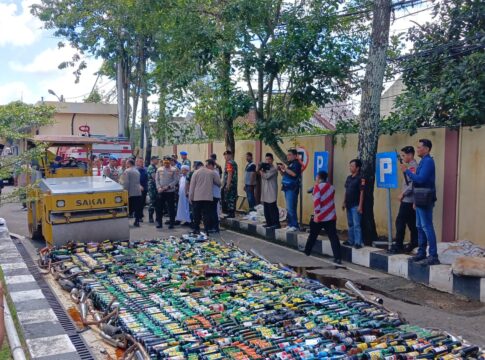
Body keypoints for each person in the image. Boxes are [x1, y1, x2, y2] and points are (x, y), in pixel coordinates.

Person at [400, 139, 439, 265]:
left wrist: (407, 171)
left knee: (427, 227)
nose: (417, 150)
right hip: (420, 198)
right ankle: (421, 253)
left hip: (425, 199)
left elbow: (421, 179)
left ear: (427, 149)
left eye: (419, 147)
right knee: (419, 227)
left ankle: (433, 255)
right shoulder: (423, 161)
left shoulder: (428, 161)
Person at [304, 171, 342, 264]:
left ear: (318, 177)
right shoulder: (332, 187)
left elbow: (317, 201)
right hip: (330, 216)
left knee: (313, 235)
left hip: (320, 216)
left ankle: (307, 251)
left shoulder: (317, 187)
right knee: (333, 237)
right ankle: (338, 257)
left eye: (316, 177)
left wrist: (316, 214)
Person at [391, 146, 419, 254]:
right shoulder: (410, 166)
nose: (402, 158)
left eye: (404, 155)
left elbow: (412, 184)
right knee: (412, 223)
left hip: (408, 199)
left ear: (410, 155)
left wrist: (402, 193)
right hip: (410, 199)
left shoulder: (412, 167)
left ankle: (398, 245)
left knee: (400, 222)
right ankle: (414, 242)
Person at [189, 159, 222, 234]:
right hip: (208, 197)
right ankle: (206, 229)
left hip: (197, 197)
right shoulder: (211, 172)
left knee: (196, 214)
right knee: (206, 214)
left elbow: (192, 186)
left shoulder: (195, 172)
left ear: (197, 167)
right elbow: (219, 183)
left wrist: (190, 197)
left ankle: (196, 229)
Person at [342, 159, 365, 249]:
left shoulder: (360, 178)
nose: (350, 167)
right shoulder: (349, 178)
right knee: (350, 224)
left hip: (356, 205)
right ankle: (351, 240)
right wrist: (344, 202)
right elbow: (346, 190)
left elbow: (362, 192)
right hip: (348, 204)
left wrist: (360, 206)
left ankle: (358, 242)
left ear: (357, 168)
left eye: (352, 166)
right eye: (350, 166)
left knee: (357, 224)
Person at [278, 149, 302, 231]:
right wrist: (281, 170)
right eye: (287, 155)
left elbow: (294, 174)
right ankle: (290, 224)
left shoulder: (297, 164)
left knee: (291, 207)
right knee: (289, 208)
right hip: (287, 187)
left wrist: (285, 168)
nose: (288, 156)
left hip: (292, 188)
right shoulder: (291, 164)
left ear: (295, 156)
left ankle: (294, 225)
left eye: (290, 155)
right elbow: (286, 174)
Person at [155, 156, 178, 229]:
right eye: (165, 162)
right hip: (161, 191)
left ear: (170, 162)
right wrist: (158, 187)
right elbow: (157, 179)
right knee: (159, 208)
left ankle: (172, 223)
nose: (166, 164)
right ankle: (159, 223)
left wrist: (168, 186)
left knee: (171, 208)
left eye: (167, 162)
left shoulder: (174, 169)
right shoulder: (159, 169)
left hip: (170, 191)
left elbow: (176, 180)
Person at [259, 153, 280, 229]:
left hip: (271, 191)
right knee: (266, 208)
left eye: (269, 159)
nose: (267, 161)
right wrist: (261, 169)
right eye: (266, 159)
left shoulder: (274, 169)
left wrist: (261, 171)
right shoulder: (264, 168)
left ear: (272, 160)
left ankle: (276, 224)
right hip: (265, 191)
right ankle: (269, 223)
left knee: (273, 208)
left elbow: (266, 176)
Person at [122, 159, 143, 227]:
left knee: (127, 208)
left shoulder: (127, 171)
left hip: (131, 192)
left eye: (126, 163)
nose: (126, 164)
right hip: (137, 191)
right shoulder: (137, 171)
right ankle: (137, 221)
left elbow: (126, 182)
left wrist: (126, 192)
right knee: (137, 207)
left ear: (129, 164)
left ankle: (125, 222)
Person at [222, 150, 238, 219]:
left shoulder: (229, 163)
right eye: (225, 155)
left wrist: (227, 185)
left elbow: (229, 174)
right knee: (232, 198)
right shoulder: (234, 163)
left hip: (230, 184)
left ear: (230, 155)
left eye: (227, 155)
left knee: (229, 198)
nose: (226, 157)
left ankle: (231, 213)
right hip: (233, 184)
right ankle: (231, 213)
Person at [147, 156, 159, 223]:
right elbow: (154, 177)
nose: (157, 161)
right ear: (153, 160)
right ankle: (150, 217)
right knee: (152, 202)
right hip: (152, 187)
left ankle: (157, 217)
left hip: (155, 186)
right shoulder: (151, 167)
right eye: (156, 160)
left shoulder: (155, 167)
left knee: (157, 202)